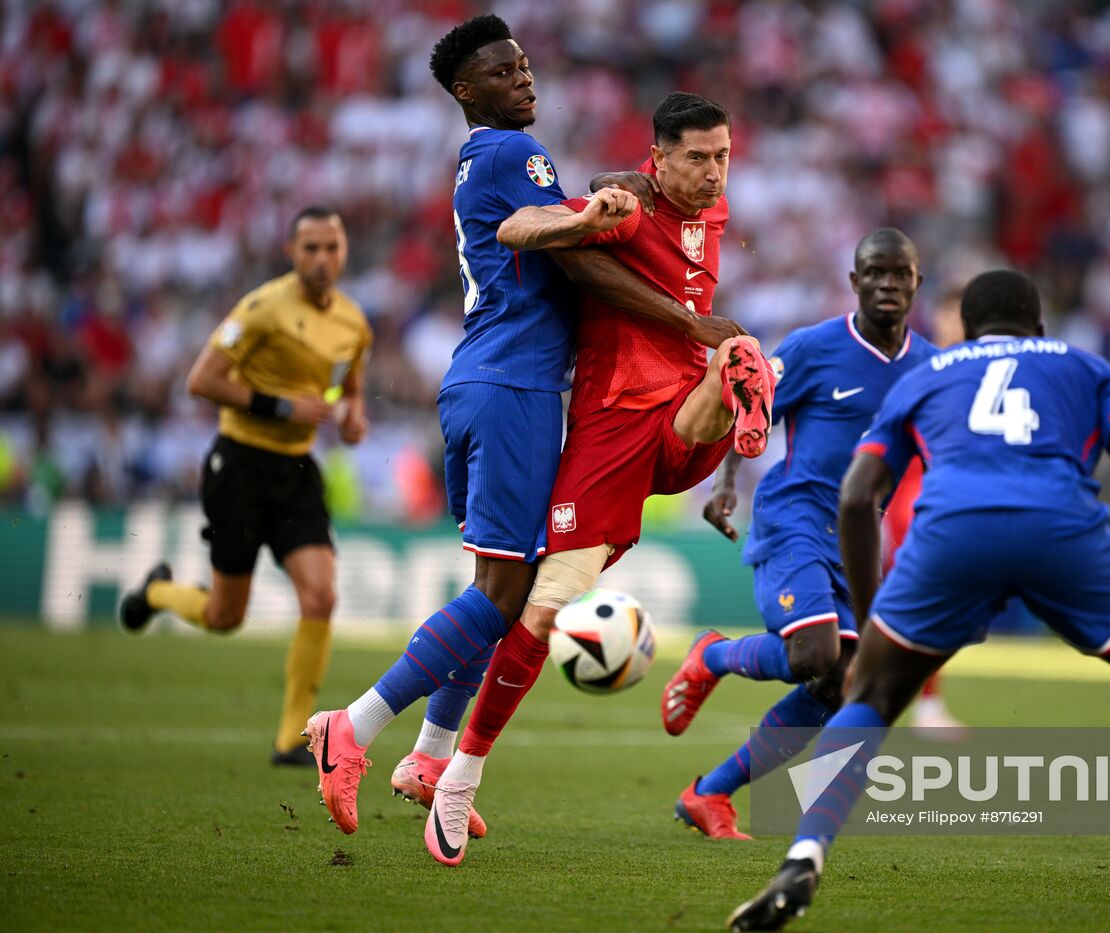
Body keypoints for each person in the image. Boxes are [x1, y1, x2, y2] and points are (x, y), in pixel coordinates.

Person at [728, 269, 1110, 933]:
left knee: (868, 698)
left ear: (968, 329)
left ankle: (803, 858)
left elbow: (855, 496)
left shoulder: (929, 373)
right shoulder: (1084, 365)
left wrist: (873, 620)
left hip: (953, 538)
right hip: (1063, 532)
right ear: (1039, 327)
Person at [304, 17, 743, 840]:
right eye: (503, 72)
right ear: (467, 92)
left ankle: (430, 755)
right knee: (508, 594)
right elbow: (568, 252)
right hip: (518, 386)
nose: (525, 81)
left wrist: (612, 198)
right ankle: (354, 726)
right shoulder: (516, 154)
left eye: (526, 66)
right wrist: (677, 307)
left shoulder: (475, 159)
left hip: (480, 378)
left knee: (495, 591)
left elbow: (563, 225)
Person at [419, 91, 776, 866]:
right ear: (659, 158)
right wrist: (601, 199)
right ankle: (458, 776)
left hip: (683, 421)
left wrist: (722, 481)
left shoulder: (708, 211)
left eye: (722, 157)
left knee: (744, 350)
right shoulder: (623, 204)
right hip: (612, 427)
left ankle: (743, 418)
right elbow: (548, 237)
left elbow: (700, 288)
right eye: (696, 158)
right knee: (538, 610)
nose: (714, 173)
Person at [663, 228, 935, 840]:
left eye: (900, 274)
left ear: (917, 282)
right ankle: (711, 655)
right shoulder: (815, 347)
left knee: (839, 683)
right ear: (854, 282)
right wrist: (727, 481)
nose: (887, 284)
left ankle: (709, 794)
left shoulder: (927, 368)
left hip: (858, 545)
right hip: (797, 519)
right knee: (816, 653)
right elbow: (756, 408)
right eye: (875, 273)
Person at [117, 206, 373, 766]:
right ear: (291, 251)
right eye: (311, 248)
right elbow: (201, 380)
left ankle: (292, 739)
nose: (322, 258)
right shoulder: (262, 309)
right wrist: (281, 405)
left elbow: (346, 391)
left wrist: (352, 417)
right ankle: (157, 592)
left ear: (345, 250)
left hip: (298, 471)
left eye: (332, 247)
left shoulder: (354, 322)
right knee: (225, 617)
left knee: (322, 596)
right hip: (239, 467)